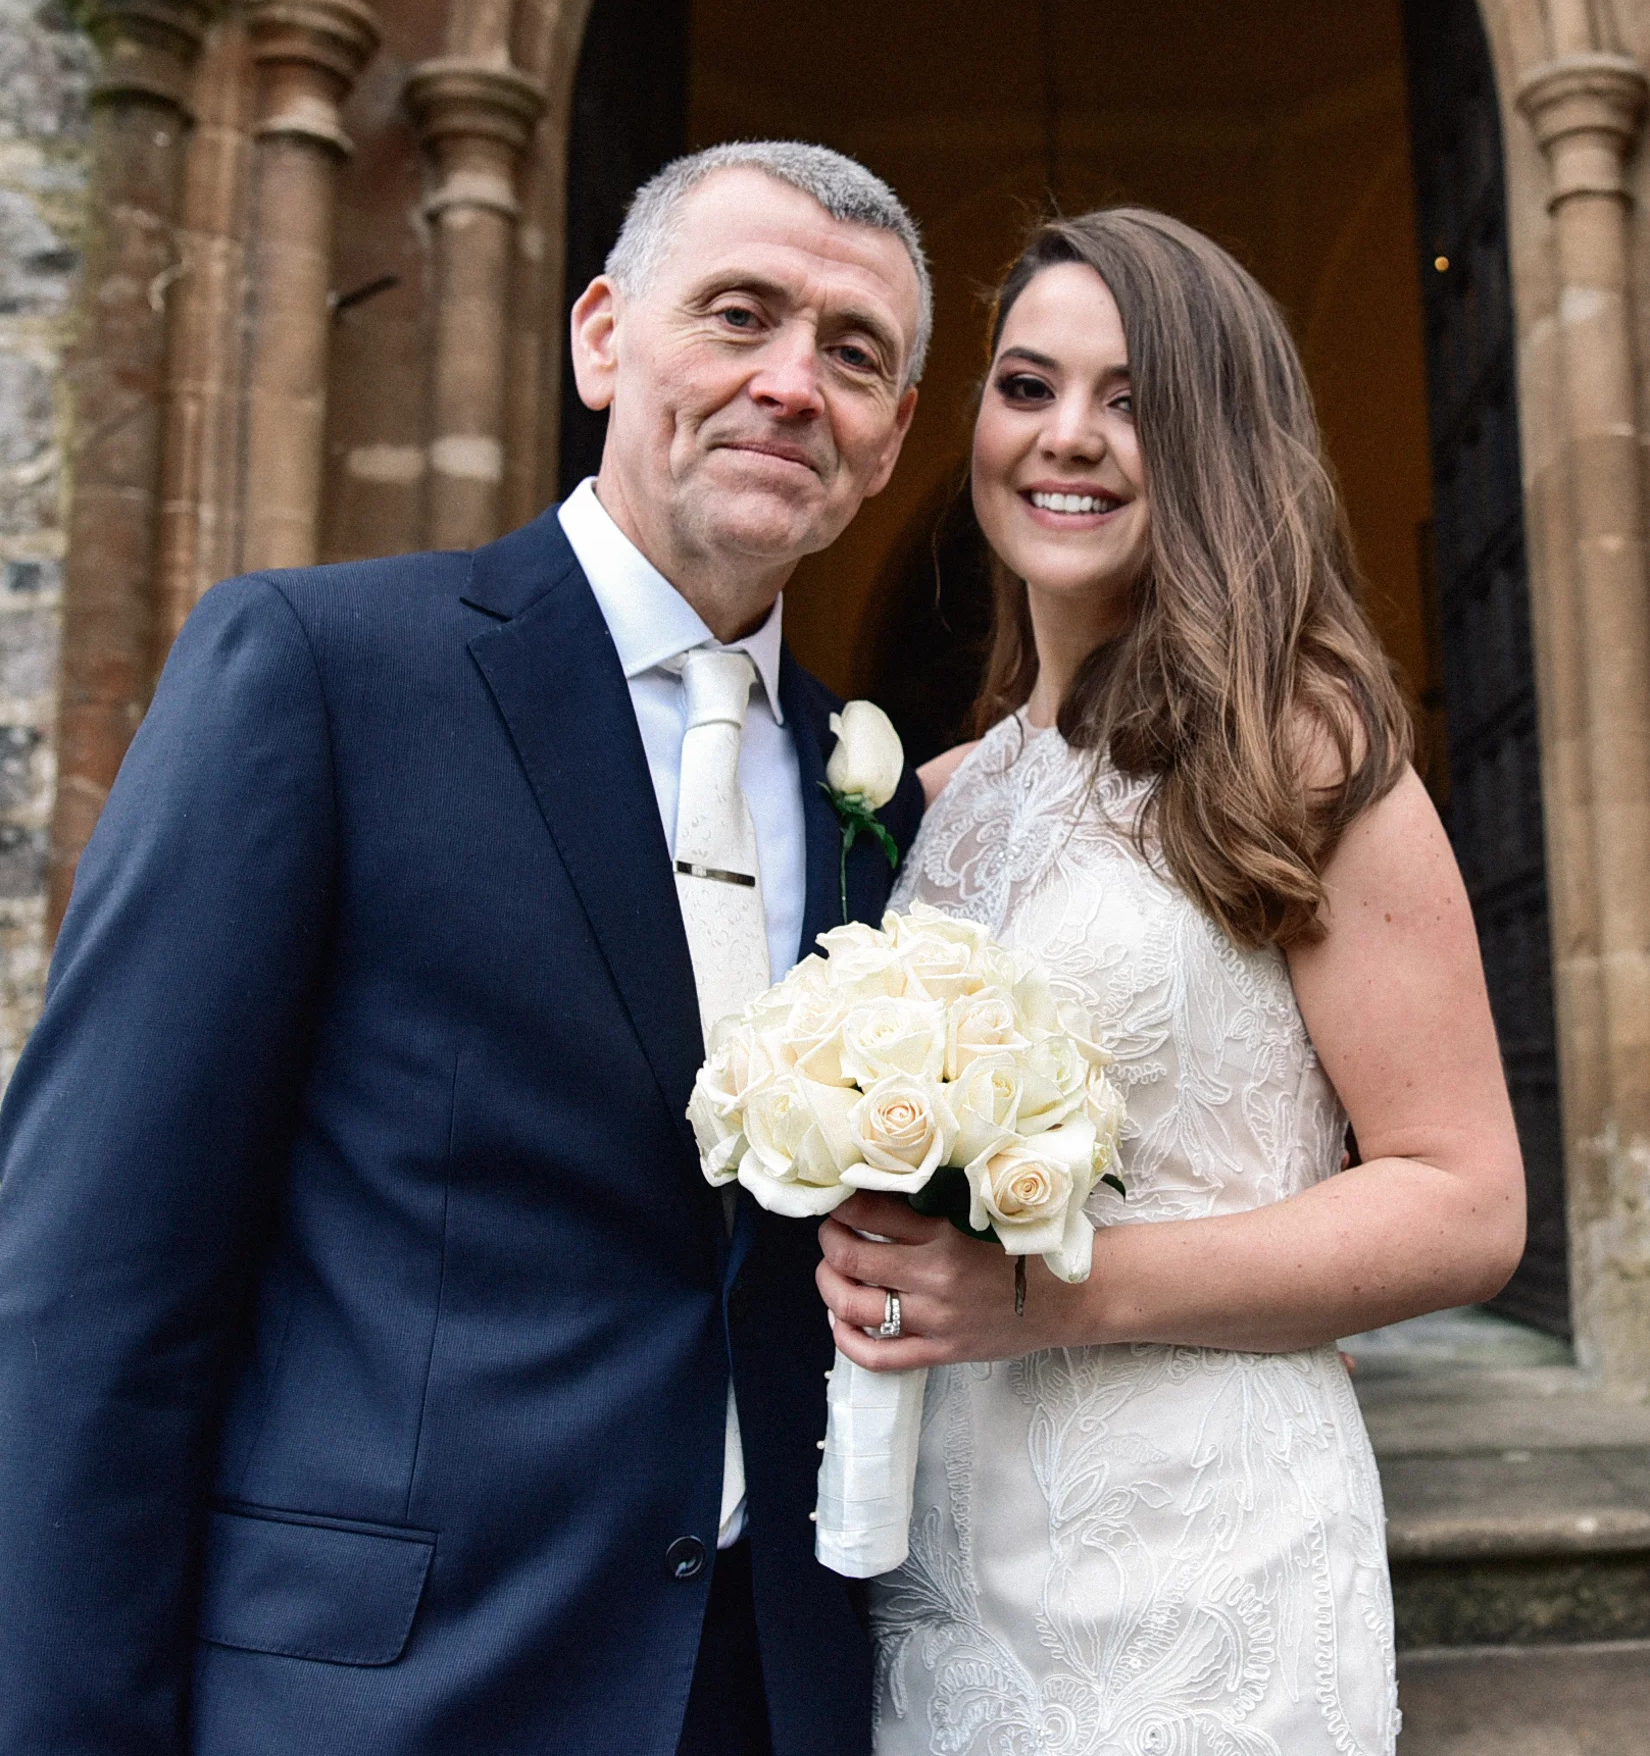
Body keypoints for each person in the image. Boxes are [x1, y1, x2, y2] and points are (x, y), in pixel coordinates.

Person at [0, 141, 929, 1756]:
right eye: (738, 315)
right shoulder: (319, 671)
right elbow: (90, 1284)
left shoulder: (871, 788)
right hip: (385, 1697)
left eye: (853, 354)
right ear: (600, 339)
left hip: (761, 1693)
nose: (792, 383)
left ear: (890, 437)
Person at [813, 209, 1527, 1754]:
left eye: (1131, 398)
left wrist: (1045, 1296)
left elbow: (1465, 1199)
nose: (1066, 437)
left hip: (1203, 1567)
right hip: (946, 1567)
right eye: (1025, 386)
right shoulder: (937, 801)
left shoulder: (1301, 750)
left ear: (1219, 438)